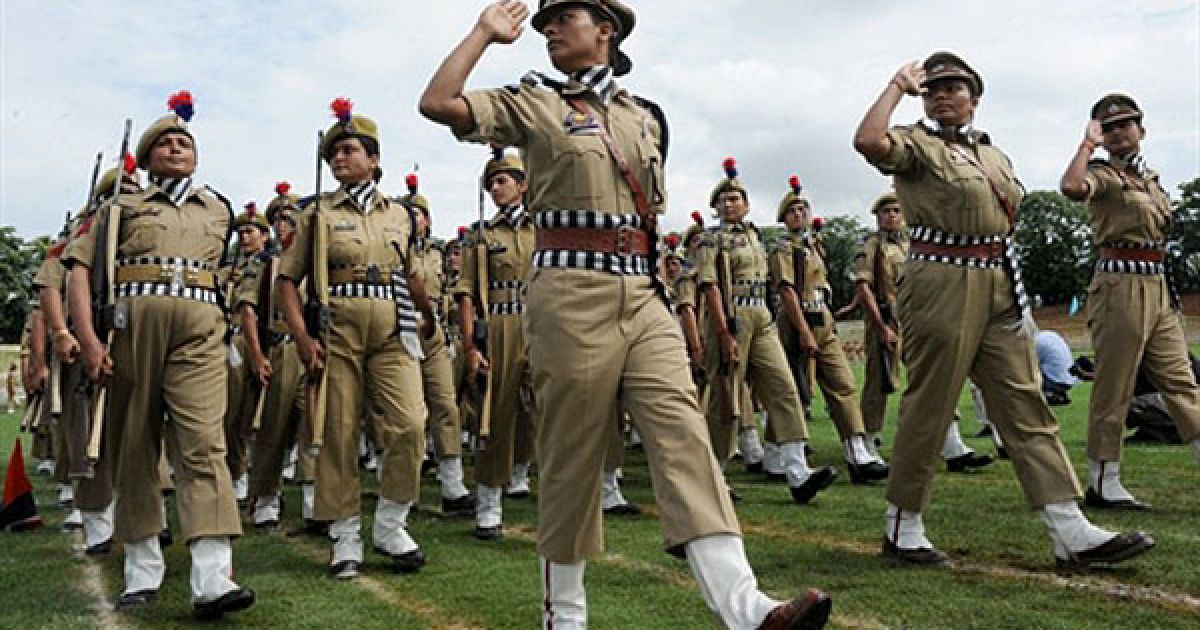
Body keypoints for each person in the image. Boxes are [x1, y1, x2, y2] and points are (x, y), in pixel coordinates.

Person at [420, 2, 832, 628]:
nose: (550, 28)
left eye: (566, 17)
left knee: (684, 434)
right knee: (573, 456)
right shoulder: (535, 103)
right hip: (568, 291)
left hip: (644, 293)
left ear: (606, 30)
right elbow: (438, 101)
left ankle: (748, 611)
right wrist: (483, 34)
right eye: (545, 23)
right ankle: (566, 616)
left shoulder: (646, 117)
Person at [853, 52, 1152, 569]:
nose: (943, 95)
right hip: (940, 279)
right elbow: (868, 142)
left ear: (975, 96)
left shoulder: (995, 155)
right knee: (931, 404)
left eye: (955, 87)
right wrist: (895, 88)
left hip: (997, 279)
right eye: (934, 88)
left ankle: (1069, 529)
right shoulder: (917, 145)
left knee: (1025, 402)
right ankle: (903, 526)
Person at [66, 91, 255, 618]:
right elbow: (80, 271)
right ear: (147, 158)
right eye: (165, 144)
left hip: (199, 333)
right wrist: (87, 337)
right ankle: (143, 568)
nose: (176, 149)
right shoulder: (119, 207)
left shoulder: (218, 207)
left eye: (184, 142)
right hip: (131, 331)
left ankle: (213, 577)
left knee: (203, 444)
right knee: (137, 444)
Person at [277, 98, 436, 579]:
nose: (340, 159)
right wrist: (302, 338)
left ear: (375, 159)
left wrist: (429, 316)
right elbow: (287, 280)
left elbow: (410, 274)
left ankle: (391, 522)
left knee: (411, 424)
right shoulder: (316, 215)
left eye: (350, 150)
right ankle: (345, 534)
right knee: (338, 433)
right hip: (338, 329)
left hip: (393, 328)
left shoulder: (401, 216)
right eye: (334, 154)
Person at [1059, 93, 1200, 510]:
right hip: (1120, 284)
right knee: (1115, 385)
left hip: (1157, 286)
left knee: (1182, 381)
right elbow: (1071, 187)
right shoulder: (1103, 175)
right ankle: (1104, 480)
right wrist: (1087, 146)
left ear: (1142, 130)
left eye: (1127, 124)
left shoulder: (1151, 179)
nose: (1119, 132)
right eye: (1109, 126)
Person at [853, 190, 994, 473]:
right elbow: (863, 285)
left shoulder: (914, 243)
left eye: (896, 210)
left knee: (935, 378)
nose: (891, 216)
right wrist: (880, 326)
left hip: (918, 316)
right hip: (888, 316)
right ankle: (867, 445)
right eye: (885, 212)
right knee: (879, 383)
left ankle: (952, 446)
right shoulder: (871, 245)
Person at [766, 174, 888, 485]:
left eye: (804, 208)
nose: (800, 213)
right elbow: (787, 291)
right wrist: (803, 331)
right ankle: (773, 452)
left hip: (824, 319)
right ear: (783, 217)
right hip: (799, 322)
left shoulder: (816, 246)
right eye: (793, 210)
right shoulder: (783, 248)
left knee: (843, 384)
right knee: (795, 389)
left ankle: (857, 451)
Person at [454, 149, 538, 540]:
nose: (495, 189)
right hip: (501, 323)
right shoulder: (481, 235)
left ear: (522, 185)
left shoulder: (545, 226)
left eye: (502, 181)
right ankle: (489, 503)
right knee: (495, 413)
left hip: (543, 322)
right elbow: (467, 293)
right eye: (490, 183)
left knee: (553, 411)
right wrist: (472, 345)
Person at [242, 182, 319, 531]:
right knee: (273, 427)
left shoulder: (315, 258)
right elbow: (247, 310)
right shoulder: (265, 262)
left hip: (315, 347)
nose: (286, 226)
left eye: (292, 219)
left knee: (314, 425)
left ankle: (314, 499)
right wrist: (257, 355)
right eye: (281, 220)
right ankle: (266, 496)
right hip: (283, 347)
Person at [401, 175, 477, 517]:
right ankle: (406, 483)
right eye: (409, 213)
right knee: (408, 411)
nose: (415, 219)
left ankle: (452, 484)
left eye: (419, 214)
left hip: (433, 333)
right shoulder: (395, 248)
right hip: (402, 328)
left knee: (446, 404)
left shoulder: (437, 252)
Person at [224, 202, 270, 507]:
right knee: (232, 411)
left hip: (262, 339)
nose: (244, 237)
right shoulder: (234, 268)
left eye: (250, 231)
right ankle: (236, 473)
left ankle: (250, 478)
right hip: (234, 339)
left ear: (264, 235)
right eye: (240, 232)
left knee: (254, 414)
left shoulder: (269, 265)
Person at [1034, 330, 1079, 406]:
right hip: (1070, 379)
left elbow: (1032, 365)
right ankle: (1060, 394)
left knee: (1031, 373)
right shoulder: (1050, 335)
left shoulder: (1036, 341)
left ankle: (1050, 394)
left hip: (1055, 381)